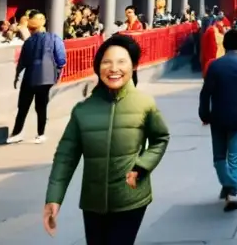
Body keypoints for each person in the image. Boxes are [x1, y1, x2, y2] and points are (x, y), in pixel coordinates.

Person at [43, 35, 169, 244]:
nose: (113, 68)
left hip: (131, 199)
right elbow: (65, 157)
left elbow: (160, 138)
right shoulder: (83, 110)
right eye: (107, 62)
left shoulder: (144, 104)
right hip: (93, 202)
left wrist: (142, 166)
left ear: (134, 65)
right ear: (98, 66)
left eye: (121, 62)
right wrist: (53, 198)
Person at [199, 28, 237, 212]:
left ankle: (227, 184)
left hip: (217, 117)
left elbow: (205, 93)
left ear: (223, 44)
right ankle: (231, 190)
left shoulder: (214, 66)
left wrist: (204, 114)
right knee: (234, 157)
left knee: (219, 158)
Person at [8, 11, 66, 144]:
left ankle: (17, 133)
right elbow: (61, 58)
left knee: (23, 106)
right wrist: (58, 72)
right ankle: (40, 133)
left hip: (29, 76)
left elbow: (22, 61)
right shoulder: (53, 38)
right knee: (41, 106)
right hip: (46, 76)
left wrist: (17, 76)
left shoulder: (28, 41)